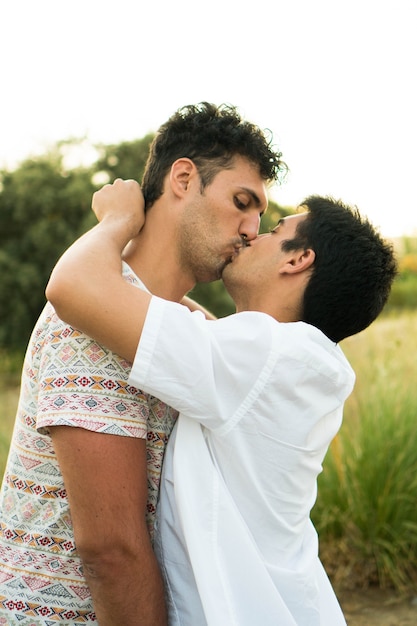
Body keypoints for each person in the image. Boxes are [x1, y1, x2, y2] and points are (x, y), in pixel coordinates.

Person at [46, 180, 398, 625]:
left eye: (273, 230)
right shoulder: (302, 360)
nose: (253, 233)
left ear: (298, 258)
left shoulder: (261, 353)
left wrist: (118, 221)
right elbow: (189, 323)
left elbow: (75, 286)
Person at [0, 104, 285, 625]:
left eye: (261, 215)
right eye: (243, 203)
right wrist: (118, 222)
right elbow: (111, 551)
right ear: (183, 178)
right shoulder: (94, 318)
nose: (252, 230)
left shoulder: (160, 324)